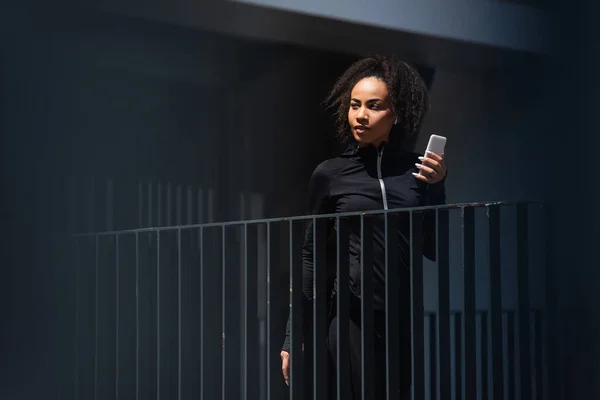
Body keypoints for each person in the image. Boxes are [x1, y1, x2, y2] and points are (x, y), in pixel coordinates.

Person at [280, 55, 447, 400]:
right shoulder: (331, 174)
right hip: (349, 312)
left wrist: (437, 187)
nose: (361, 115)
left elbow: (433, 247)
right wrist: (293, 333)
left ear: (396, 113)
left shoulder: (416, 171)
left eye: (373, 106)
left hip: (401, 313)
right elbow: (312, 254)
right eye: (355, 105)